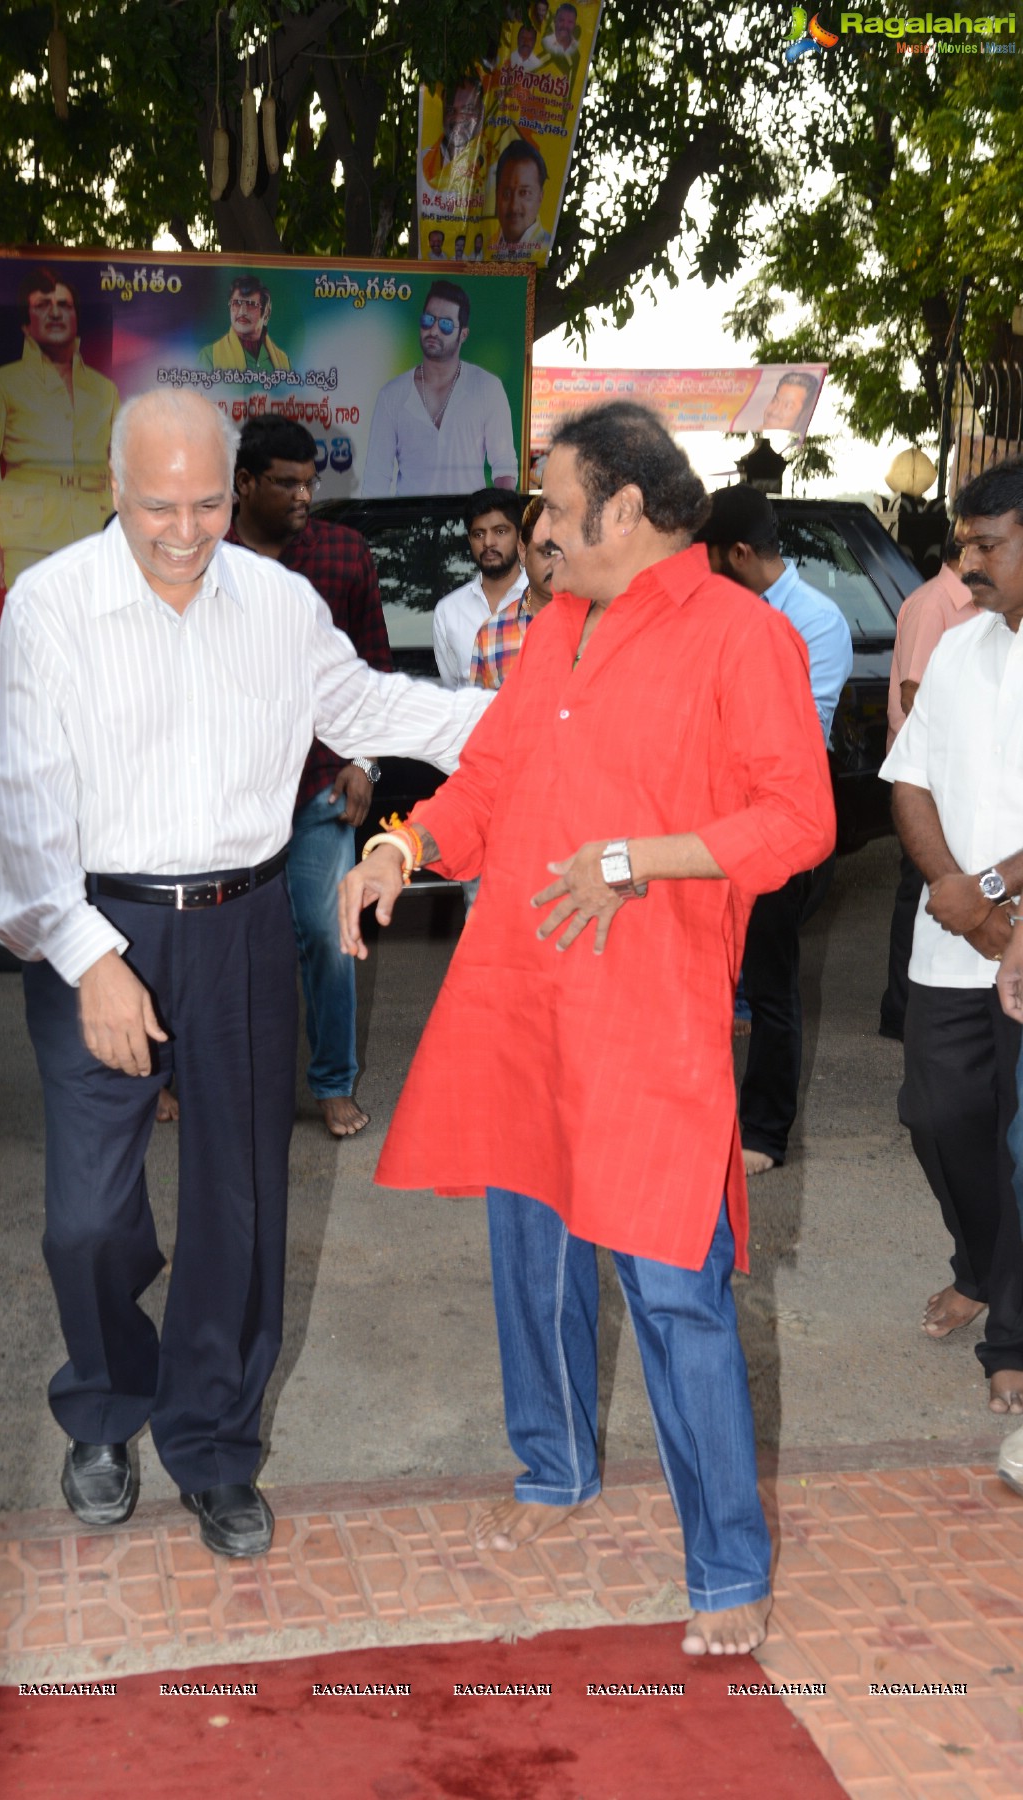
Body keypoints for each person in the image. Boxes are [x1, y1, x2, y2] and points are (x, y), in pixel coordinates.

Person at [340, 401, 834, 1658]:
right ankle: (553, 1469)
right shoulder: (558, 626)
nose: (539, 533)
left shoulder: (744, 636)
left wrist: (637, 859)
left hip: (649, 1014)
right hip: (521, 993)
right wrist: (405, 845)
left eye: (555, 508)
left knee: (675, 1290)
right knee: (533, 1252)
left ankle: (728, 1566)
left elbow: (799, 823)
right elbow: (494, 781)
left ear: (623, 508)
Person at [0, 389, 490, 1559]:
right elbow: (19, 814)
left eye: (207, 500)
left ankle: (214, 1444)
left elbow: (365, 704)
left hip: (247, 921)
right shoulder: (53, 607)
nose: (184, 527)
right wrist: (87, 958)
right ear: (115, 487)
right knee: (88, 1222)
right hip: (96, 923)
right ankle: (108, 1403)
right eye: (159, 502)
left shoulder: (279, 600)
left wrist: (521, 726)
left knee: (242, 1207)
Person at [882, 458, 1023, 1417]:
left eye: (988, 545)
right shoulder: (966, 648)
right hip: (955, 940)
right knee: (935, 1117)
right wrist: (951, 888)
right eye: (964, 543)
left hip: (1010, 939)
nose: (966, 561)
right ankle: (981, 1264)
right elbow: (909, 778)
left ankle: (1009, 1334)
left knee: (1022, 1144)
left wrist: (988, 898)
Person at [228, 414, 392, 1139]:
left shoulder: (342, 554)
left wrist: (366, 762)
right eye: (286, 482)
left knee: (330, 936)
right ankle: (197, 1076)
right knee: (221, 945)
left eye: (309, 481)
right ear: (244, 483)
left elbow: (375, 672)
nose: (302, 495)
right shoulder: (203, 559)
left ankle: (331, 1082)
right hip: (225, 796)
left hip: (322, 787)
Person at [697, 485, 852, 1175]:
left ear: (736, 552)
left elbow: (789, 738)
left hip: (777, 828)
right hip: (711, 821)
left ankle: (764, 1133)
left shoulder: (816, 622)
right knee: (703, 977)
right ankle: (702, 1117)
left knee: (770, 985)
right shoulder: (716, 613)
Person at [879, 529, 977, 1043]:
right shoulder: (935, 603)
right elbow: (915, 695)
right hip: (924, 779)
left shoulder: (977, 607)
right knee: (917, 892)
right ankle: (900, 1009)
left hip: (949, 777)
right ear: (965, 550)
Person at [0, 268, 119, 591]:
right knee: (35, 634)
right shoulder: (0, 383)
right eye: (43, 305)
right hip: (27, 537)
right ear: (26, 323)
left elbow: (120, 465)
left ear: (76, 316)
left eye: (64, 305)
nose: (55, 312)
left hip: (95, 531)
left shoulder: (104, 389)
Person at [361, 283, 518, 497]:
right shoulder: (392, 394)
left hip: (469, 524)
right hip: (408, 524)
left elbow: (504, 466)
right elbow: (376, 477)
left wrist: (501, 518)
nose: (433, 331)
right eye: (428, 320)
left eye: (445, 324)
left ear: (463, 334)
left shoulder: (487, 387)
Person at [433, 487, 528, 691]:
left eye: (500, 531)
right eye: (478, 534)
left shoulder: (543, 598)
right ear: (469, 540)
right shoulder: (448, 611)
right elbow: (453, 689)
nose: (488, 542)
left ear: (520, 537)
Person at [469, 494, 557, 689]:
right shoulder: (491, 634)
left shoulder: (601, 624)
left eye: (566, 552)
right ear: (523, 551)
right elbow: (481, 715)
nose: (557, 564)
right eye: (548, 553)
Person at [199, 276, 291, 374]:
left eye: (251, 304)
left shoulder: (283, 361)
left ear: (266, 314)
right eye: (237, 303)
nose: (242, 312)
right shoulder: (209, 356)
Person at [419, 74, 487, 205]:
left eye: (467, 109)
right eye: (450, 110)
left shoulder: (492, 164)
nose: (457, 118)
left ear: (481, 111)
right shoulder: (425, 161)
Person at [489, 140, 551, 260]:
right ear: (497, 196)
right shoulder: (483, 250)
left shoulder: (549, 249)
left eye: (524, 193)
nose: (514, 206)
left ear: (540, 197)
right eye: (506, 193)